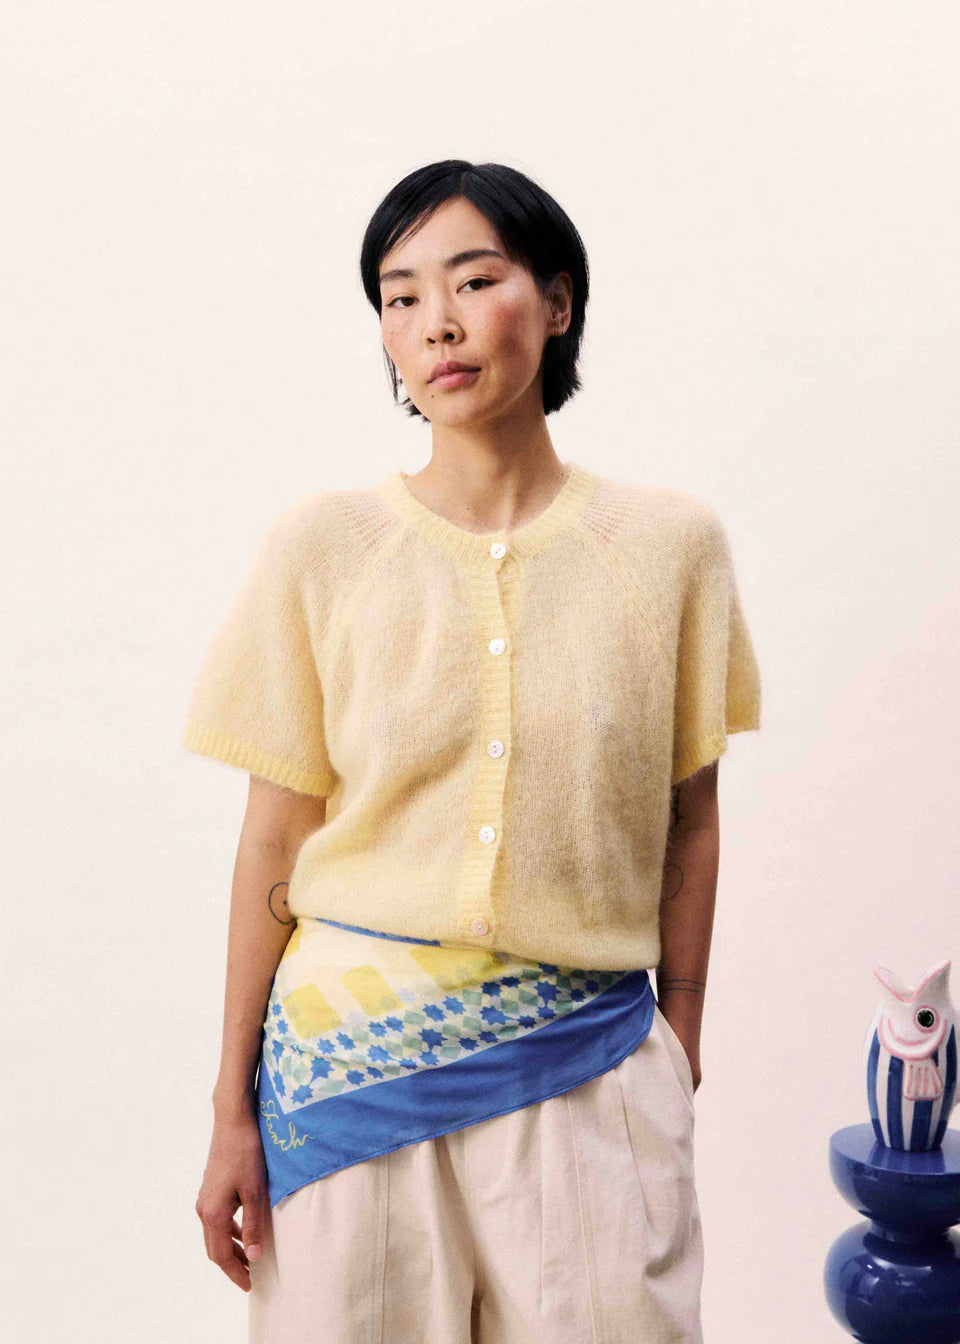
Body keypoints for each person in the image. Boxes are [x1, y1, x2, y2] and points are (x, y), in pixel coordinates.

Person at [185, 159, 762, 1343]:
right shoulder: (322, 551)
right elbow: (275, 842)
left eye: (473, 280)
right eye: (399, 297)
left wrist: (681, 1041)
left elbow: (691, 818)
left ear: (556, 302)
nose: (435, 323)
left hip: (588, 1070)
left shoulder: (669, 550)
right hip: (346, 1088)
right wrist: (229, 1109)